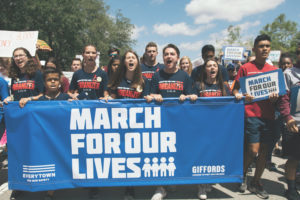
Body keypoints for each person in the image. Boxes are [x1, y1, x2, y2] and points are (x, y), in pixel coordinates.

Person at [233, 34, 279, 199]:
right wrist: (242, 95)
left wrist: (276, 97)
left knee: (265, 152)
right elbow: (235, 90)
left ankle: (256, 182)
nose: (265, 48)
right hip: (251, 115)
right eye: (261, 46)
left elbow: (280, 97)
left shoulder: (274, 71)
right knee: (253, 151)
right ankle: (243, 175)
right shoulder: (245, 67)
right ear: (254, 49)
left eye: (267, 46)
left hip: (269, 116)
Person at [149, 44, 197, 200]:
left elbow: (192, 96)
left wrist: (187, 96)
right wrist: (153, 96)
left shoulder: (184, 76)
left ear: (177, 57)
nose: (169, 56)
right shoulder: (157, 75)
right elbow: (149, 95)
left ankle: (173, 179)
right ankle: (160, 187)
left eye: (172, 54)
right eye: (166, 54)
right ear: (163, 57)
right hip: (161, 121)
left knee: (177, 152)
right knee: (161, 153)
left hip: (180, 121)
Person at [19, 67, 71, 200]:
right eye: (49, 80)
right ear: (44, 82)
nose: (53, 82)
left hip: (62, 139)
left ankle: (51, 191)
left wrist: (74, 104)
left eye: (55, 79)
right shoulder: (39, 100)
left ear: (60, 81)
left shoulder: (66, 98)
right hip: (45, 140)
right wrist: (26, 101)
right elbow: (27, 106)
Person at [4, 47, 44, 200]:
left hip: (33, 119)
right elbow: (16, 94)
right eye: (15, 56)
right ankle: (18, 185)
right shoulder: (15, 76)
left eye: (21, 55)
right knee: (17, 153)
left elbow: (43, 94)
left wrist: (30, 99)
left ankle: (38, 182)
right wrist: (10, 98)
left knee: (34, 151)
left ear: (28, 57)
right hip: (18, 121)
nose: (18, 58)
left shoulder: (37, 74)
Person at [191, 58, 229, 200]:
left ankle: (208, 181)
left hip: (218, 128)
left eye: (215, 66)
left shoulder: (224, 86)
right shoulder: (198, 85)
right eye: (209, 66)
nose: (212, 68)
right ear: (204, 69)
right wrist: (191, 96)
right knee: (202, 155)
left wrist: (238, 96)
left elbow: (231, 104)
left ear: (218, 69)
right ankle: (201, 185)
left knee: (213, 155)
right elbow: (190, 103)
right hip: (201, 128)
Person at [278, 45, 300, 200]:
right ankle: (291, 189)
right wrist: (288, 117)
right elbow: (283, 99)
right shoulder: (288, 73)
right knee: (294, 158)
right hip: (295, 123)